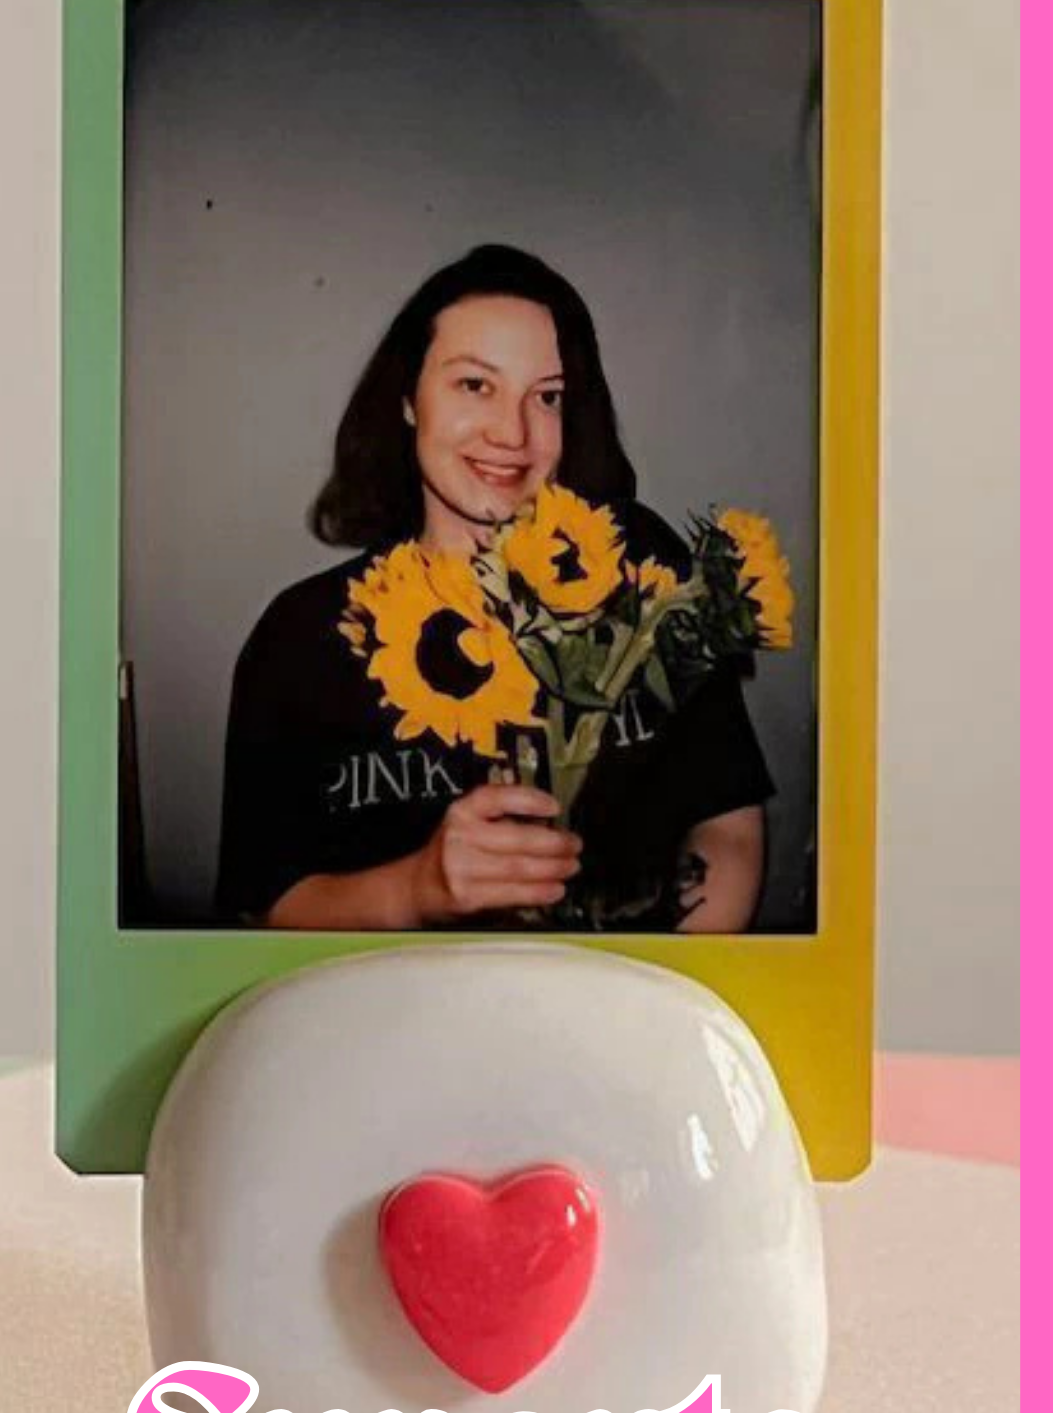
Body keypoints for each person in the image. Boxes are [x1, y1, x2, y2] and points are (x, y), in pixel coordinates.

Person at [216, 245, 774, 933]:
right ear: (407, 400)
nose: (513, 434)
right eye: (475, 385)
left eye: (547, 396)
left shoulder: (641, 568)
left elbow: (727, 820)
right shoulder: (302, 636)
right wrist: (415, 889)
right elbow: (267, 904)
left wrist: (656, 983)